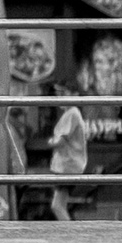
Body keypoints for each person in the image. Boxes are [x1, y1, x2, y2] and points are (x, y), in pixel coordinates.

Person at [48, 89, 93, 221]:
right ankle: (70, 233)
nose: (60, 97)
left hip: (67, 166)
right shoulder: (73, 113)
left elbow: (60, 141)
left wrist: (50, 142)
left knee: (57, 206)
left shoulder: (72, 113)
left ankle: (71, 234)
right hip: (69, 165)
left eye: (63, 93)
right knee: (59, 205)